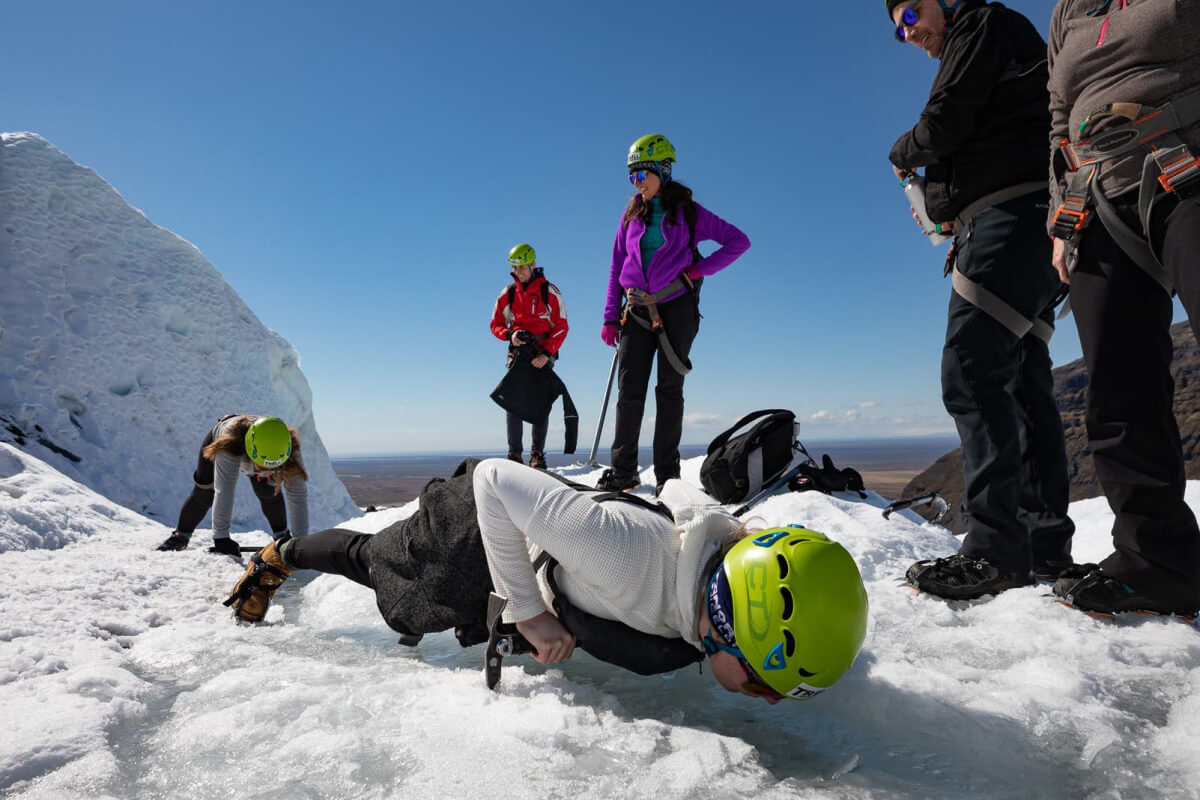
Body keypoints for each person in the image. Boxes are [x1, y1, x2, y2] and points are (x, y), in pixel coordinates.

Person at [225, 458, 869, 704]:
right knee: (377, 568)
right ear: (728, 625)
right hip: (470, 535)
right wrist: (530, 612)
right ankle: (280, 555)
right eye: (763, 681)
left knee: (406, 596)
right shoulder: (629, 559)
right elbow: (492, 483)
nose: (766, 698)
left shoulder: (691, 595)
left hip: (529, 555)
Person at [886, 0, 1076, 599]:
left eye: (911, 13)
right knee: (1021, 379)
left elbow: (942, 124)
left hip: (1009, 220)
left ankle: (995, 551)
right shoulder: (998, 35)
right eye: (898, 27)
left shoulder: (984, 24)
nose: (908, 32)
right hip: (1029, 222)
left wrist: (902, 151)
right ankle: (1043, 547)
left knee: (969, 370)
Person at [1045, 0, 1200, 618]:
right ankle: (1160, 564)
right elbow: (1058, 118)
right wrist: (1061, 218)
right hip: (1096, 199)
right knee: (1116, 390)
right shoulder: (1068, 11)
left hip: (1185, 160)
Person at [597, 134, 750, 496]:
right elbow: (616, 264)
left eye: (642, 174)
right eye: (631, 176)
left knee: (669, 390)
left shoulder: (689, 212)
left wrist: (698, 271)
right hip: (635, 309)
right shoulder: (631, 214)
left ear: (663, 171)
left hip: (677, 309)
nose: (636, 182)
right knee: (628, 392)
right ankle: (624, 472)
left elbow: (737, 241)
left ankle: (667, 474)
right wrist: (608, 316)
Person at [155, 415, 308, 555]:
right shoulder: (229, 444)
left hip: (259, 453)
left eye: (275, 468)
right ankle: (180, 536)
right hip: (224, 441)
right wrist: (221, 538)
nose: (268, 473)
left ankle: (281, 536)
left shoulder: (287, 446)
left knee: (269, 491)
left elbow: (297, 495)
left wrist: (298, 543)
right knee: (204, 494)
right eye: (263, 468)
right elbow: (224, 490)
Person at [489, 243, 569, 470]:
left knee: (539, 401)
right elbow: (495, 324)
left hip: (543, 353)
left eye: (522, 267)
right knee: (512, 402)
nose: (518, 272)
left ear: (533, 264)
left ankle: (537, 454)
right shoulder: (508, 294)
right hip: (517, 353)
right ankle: (514, 454)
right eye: (514, 268)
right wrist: (510, 335)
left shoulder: (550, 292)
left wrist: (546, 354)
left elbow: (562, 327)